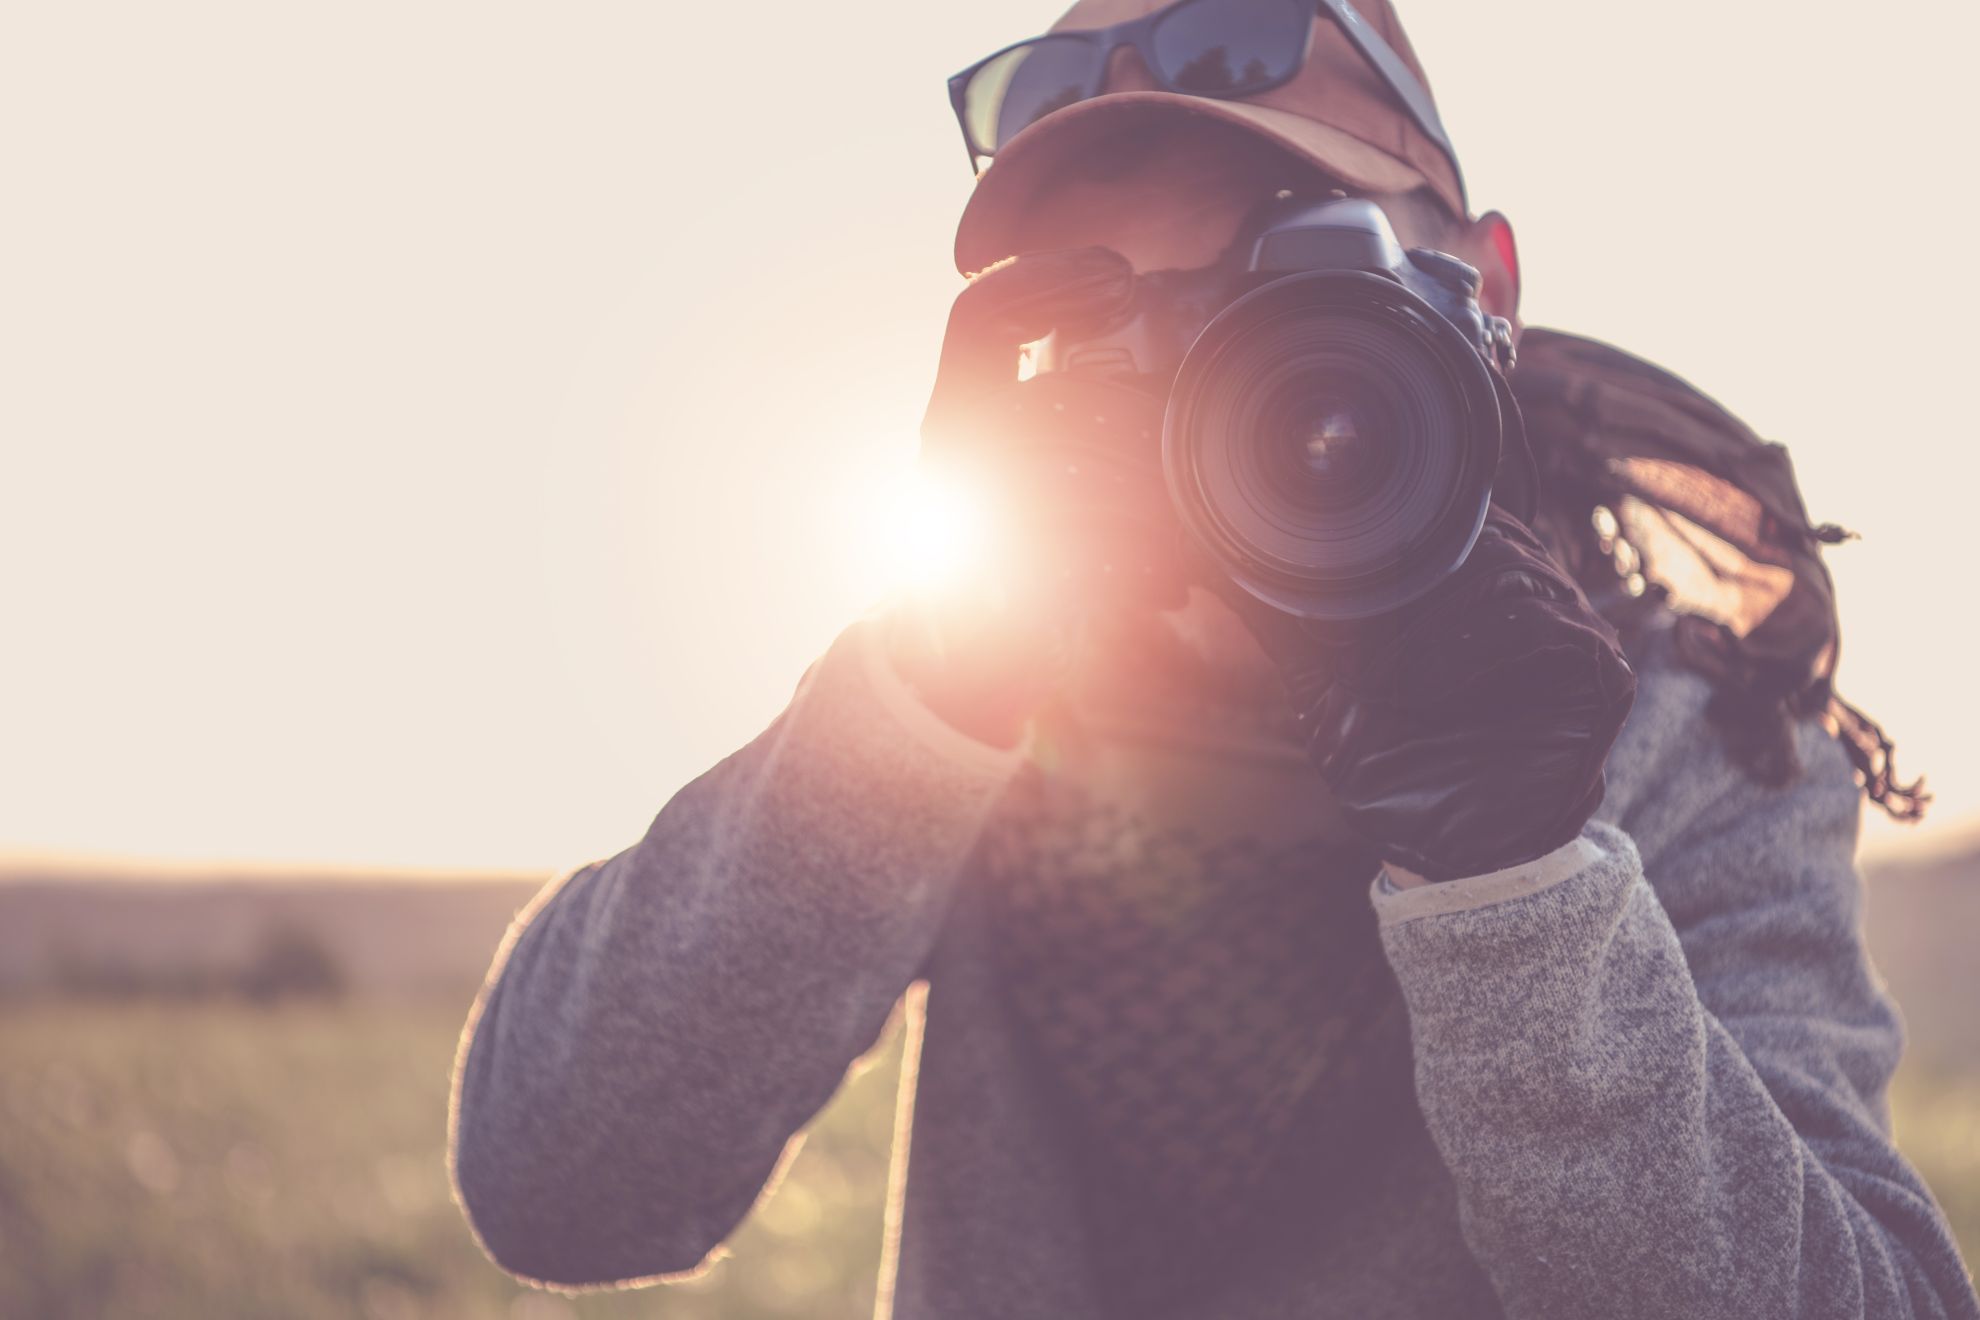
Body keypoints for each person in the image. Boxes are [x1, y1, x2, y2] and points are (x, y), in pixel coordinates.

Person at [447, 0, 1979, 1315]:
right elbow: (557, 1187)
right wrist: (928, 695)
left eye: (1291, 304)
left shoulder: (1694, 747)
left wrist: (1521, 875)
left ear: (1489, 293)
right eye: (1127, 328)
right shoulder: (969, 706)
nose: (1235, 407)